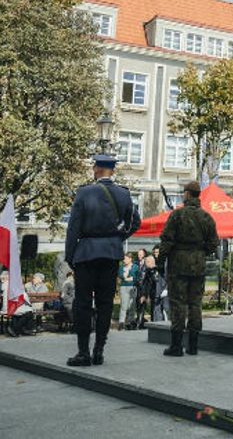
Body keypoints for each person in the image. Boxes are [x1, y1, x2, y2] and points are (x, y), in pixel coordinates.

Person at [64, 153, 141, 367]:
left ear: (96, 170)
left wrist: (71, 255)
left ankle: (83, 352)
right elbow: (135, 222)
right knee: (106, 303)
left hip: (86, 254)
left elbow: (73, 228)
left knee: (83, 303)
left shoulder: (84, 193)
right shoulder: (124, 194)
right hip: (110, 254)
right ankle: (99, 351)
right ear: (113, 171)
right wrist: (117, 239)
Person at [158, 179, 219, 356]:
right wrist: (200, 252)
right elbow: (214, 244)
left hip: (178, 265)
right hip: (198, 265)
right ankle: (193, 346)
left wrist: (161, 261)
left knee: (178, 304)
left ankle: (176, 346)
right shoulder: (206, 217)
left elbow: (167, 241)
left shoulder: (177, 215)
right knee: (195, 304)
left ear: (186, 194)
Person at [118, 253, 139, 328]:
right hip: (124, 287)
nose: (124, 260)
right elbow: (120, 275)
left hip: (132, 287)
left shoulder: (135, 267)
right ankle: (121, 322)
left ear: (130, 259)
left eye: (126, 258)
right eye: (124, 259)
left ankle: (130, 322)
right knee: (124, 305)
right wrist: (127, 277)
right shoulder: (121, 267)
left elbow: (136, 276)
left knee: (132, 305)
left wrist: (129, 277)